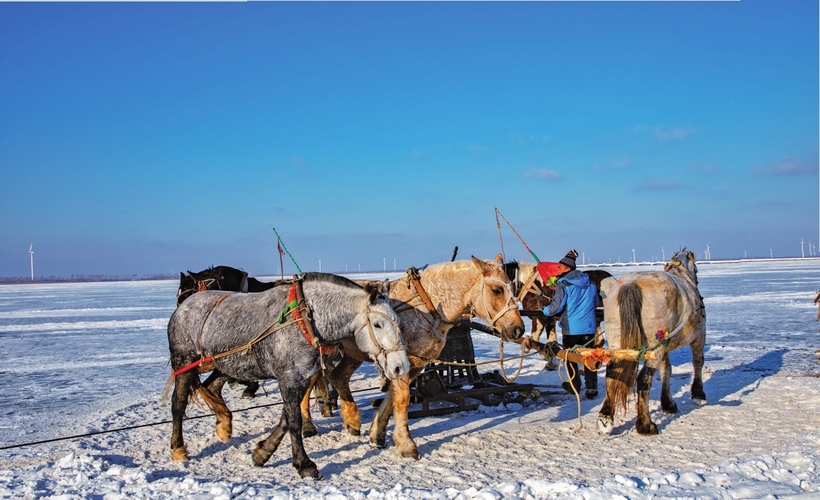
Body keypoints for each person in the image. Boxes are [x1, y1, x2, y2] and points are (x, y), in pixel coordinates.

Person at [543, 249, 600, 399]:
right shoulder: (591, 283)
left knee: (570, 357)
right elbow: (595, 303)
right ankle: (592, 387)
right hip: (589, 327)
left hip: (571, 328)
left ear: (568, 268)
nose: (558, 269)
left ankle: (574, 385)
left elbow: (556, 307)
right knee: (590, 356)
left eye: (561, 267)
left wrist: (545, 311)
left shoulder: (564, 283)